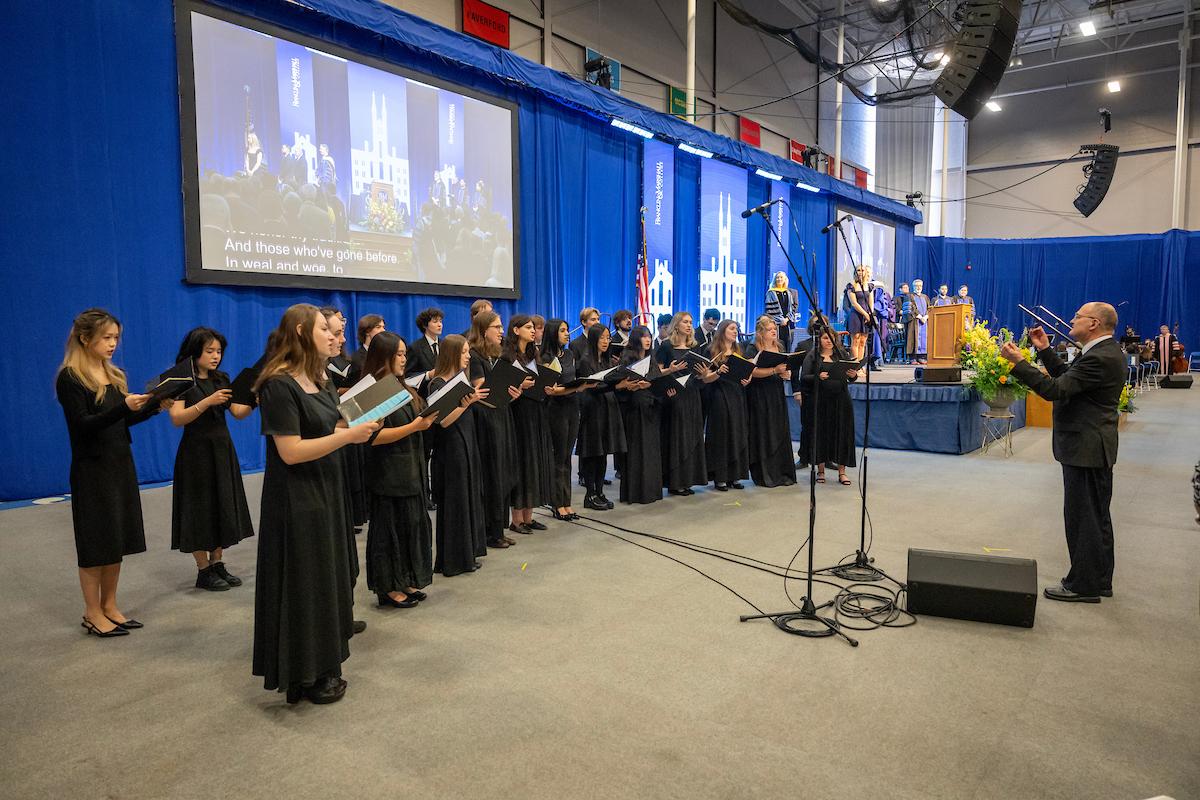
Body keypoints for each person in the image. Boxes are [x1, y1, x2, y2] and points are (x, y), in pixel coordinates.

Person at [252, 304, 379, 704]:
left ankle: (324, 664)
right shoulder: (278, 385)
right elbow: (290, 451)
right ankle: (304, 674)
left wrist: (364, 420)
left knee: (326, 578)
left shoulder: (321, 382)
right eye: (326, 328)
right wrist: (348, 437)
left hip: (326, 488)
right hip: (296, 497)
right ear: (304, 332)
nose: (334, 335)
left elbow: (334, 424)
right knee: (303, 582)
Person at [1001, 303, 1126, 603]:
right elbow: (1068, 379)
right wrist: (1044, 350)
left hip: (1086, 447)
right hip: (1092, 446)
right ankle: (1098, 580)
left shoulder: (1100, 356)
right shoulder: (1102, 352)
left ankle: (1083, 585)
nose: (1072, 320)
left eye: (1077, 317)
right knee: (1095, 517)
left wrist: (1019, 362)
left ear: (1093, 324)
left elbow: (1054, 390)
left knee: (1083, 518)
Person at [56, 309, 166, 637]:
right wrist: (123, 407)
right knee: (95, 542)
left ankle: (110, 605)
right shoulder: (70, 377)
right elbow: (84, 425)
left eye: (116, 337)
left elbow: (121, 420)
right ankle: (92, 612)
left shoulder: (112, 373)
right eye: (107, 337)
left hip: (120, 464)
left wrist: (154, 406)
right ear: (84, 338)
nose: (113, 344)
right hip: (92, 469)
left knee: (117, 538)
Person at [168, 327, 255, 592]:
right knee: (199, 508)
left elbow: (238, 413)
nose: (216, 356)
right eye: (210, 351)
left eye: (219, 351)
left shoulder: (221, 378)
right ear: (195, 352)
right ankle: (202, 569)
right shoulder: (179, 379)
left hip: (221, 449)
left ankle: (218, 562)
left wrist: (256, 397)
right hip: (196, 452)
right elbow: (176, 418)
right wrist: (206, 402)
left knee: (221, 504)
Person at [361, 332, 438, 609]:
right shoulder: (373, 390)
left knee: (410, 526)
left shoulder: (402, 386)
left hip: (411, 467)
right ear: (383, 357)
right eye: (399, 354)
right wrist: (414, 427)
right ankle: (388, 586)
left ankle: (404, 578)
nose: (404, 359)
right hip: (388, 471)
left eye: (405, 353)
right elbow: (372, 437)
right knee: (389, 530)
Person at [428, 334, 490, 574]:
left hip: (466, 442)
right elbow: (443, 421)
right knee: (455, 502)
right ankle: (453, 560)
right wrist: (466, 403)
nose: (468, 356)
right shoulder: (437, 384)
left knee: (468, 497)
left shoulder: (459, 380)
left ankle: (466, 552)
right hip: (450, 448)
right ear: (452, 354)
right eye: (464, 352)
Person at [467, 311, 522, 546]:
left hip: (501, 414)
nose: (501, 331)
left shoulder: (495, 356)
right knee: (493, 473)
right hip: (486, 421)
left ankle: (499, 528)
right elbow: (482, 390)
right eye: (496, 327)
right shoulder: (475, 356)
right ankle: (491, 532)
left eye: (501, 327)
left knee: (505, 471)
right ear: (483, 330)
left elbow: (498, 392)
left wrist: (513, 394)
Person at [576, 324, 638, 510]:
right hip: (593, 409)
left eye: (607, 338)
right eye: (602, 338)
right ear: (594, 339)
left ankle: (600, 491)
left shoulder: (608, 361)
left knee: (603, 453)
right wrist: (618, 386)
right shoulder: (586, 361)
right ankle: (590, 494)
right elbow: (592, 387)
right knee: (593, 453)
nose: (606, 341)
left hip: (608, 407)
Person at [503, 314, 554, 533]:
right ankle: (516, 520)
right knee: (522, 463)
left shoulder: (534, 353)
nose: (533, 331)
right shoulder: (506, 355)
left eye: (534, 328)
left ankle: (529, 517)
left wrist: (547, 386)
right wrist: (519, 383)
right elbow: (503, 385)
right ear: (515, 330)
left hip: (536, 410)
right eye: (528, 327)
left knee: (534, 461)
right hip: (518, 412)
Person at [654, 311, 711, 495]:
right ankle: (675, 481)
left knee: (692, 436)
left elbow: (700, 375)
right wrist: (670, 370)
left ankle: (688, 479)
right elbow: (656, 373)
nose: (689, 325)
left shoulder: (695, 348)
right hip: (673, 394)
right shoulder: (665, 347)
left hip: (692, 393)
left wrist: (703, 374)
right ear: (676, 325)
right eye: (685, 322)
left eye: (691, 322)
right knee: (677, 437)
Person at [798, 330, 859, 485]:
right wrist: (817, 377)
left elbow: (851, 376)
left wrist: (853, 375)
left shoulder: (841, 355)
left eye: (832, 338)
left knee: (842, 434)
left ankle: (842, 472)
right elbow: (804, 377)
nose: (829, 341)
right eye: (825, 338)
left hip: (841, 399)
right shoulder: (813, 356)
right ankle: (821, 470)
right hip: (820, 401)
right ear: (819, 340)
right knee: (822, 434)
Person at [744, 316, 797, 487]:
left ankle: (782, 472)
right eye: (769, 329)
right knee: (764, 431)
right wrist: (774, 370)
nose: (774, 331)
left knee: (778, 430)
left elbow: (783, 369)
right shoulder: (752, 348)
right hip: (759, 394)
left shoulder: (779, 346)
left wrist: (784, 374)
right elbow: (751, 371)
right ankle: (765, 474)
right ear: (760, 332)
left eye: (774, 328)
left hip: (776, 392)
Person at [541, 318, 585, 520]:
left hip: (572, 406)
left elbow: (568, 381)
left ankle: (567, 502)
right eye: (562, 330)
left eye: (567, 330)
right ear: (552, 333)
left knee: (568, 456)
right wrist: (575, 388)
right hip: (555, 410)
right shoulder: (544, 357)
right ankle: (557, 503)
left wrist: (576, 387)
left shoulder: (568, 354)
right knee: (558, 456)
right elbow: (549, 390)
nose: (567, 333)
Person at [616, 325, 664, 504]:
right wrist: (634, 386)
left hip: (650, 406)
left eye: (649, 336)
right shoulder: (627, 357)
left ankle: (651, 490)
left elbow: (658, 379)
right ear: (636, 339)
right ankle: (635, 492)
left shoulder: (651, 358)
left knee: (651, 450)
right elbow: (621, 383)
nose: (648, 339)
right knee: (636, 450)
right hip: (634, 407)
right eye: (644, 337)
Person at [702, 319, 751, 491]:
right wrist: (717, 372)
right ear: (722, 331)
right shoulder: (711, 351)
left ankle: (735, 475)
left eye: (736, 329)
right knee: (722, 434)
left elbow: (747, 372)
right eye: (732, 328)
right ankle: (720, 476)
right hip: (719, 394)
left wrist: (747, 379)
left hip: (737, 393)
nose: (735, 331)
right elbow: (705, 378)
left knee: (737, 433)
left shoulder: (739, 350)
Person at [406, 306, 444, 384]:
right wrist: (427, 375)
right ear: (424, 325)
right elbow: (407, 376)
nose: (439, 325)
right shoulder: (415, 348)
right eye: (435, 321)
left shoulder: (445, 345)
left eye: (440, 321)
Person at [765, 271, 800, 352]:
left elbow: (792, 308)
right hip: (776, 324)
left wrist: (787, 319)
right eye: (777, 277)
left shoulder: (788, 293)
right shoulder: (771, 293)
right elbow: (770, 309)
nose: (779, 279)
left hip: (787, 323)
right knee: (777, 344)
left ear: (785, 279)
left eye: (781, 277)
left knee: (788, 344)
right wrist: (780, 320)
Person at [844, 265, 872, 362]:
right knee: (855, 340)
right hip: (855, 315)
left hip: (867, 316)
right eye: (858, 270)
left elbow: (871, 302)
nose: (860, 272)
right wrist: (865, 314)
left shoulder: (869, 286)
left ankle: (860, 366)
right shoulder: (851, 286)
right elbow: (854, 303)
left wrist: (869, 315)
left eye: (862, 270)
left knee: (862, 342)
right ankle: (855, 366)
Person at [349, 314, 386, 380]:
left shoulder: (386, 354)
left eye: (383, 327)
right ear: (367, 331)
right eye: (378, 327)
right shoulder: (357, 358)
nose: (383, 330)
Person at [907, 279, 930, 364]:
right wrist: (920, 317)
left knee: (924, 339)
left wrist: (926, 316)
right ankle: (913, 358)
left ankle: (922, 357)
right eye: (916, 285)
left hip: (924, 321)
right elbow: (911, 308)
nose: (918, 287)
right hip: (914, 321)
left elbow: (929, 308)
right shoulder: (910, 296)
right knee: (913, 338)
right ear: (913, 287)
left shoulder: (925, 297)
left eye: (920, 285)